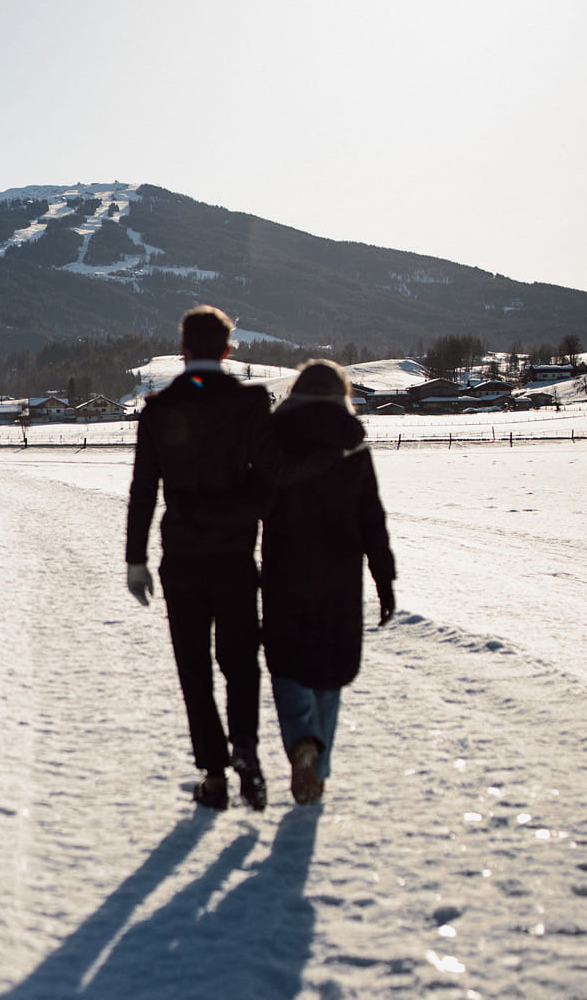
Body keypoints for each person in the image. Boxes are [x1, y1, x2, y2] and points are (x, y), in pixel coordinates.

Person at [126, 305, 270, 811]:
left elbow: (144, 489)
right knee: (240, 661)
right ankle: (246, 747)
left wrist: (135, 559)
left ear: (183, 351)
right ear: (228, 350)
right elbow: (267, 484)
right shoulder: (253, 403)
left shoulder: (160, 409)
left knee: (194, 667)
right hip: (235, 554)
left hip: (182, 557)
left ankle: (214, 775)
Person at [260, 358, 395, 805]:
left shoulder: (273, 442)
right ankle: (320, 766)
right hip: (340, 574)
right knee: (329, 672)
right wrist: (384, 578)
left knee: (287, 664)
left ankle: (303, 742)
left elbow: (254, 501)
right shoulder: (353, 446)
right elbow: (371, 517)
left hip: (284, 568)